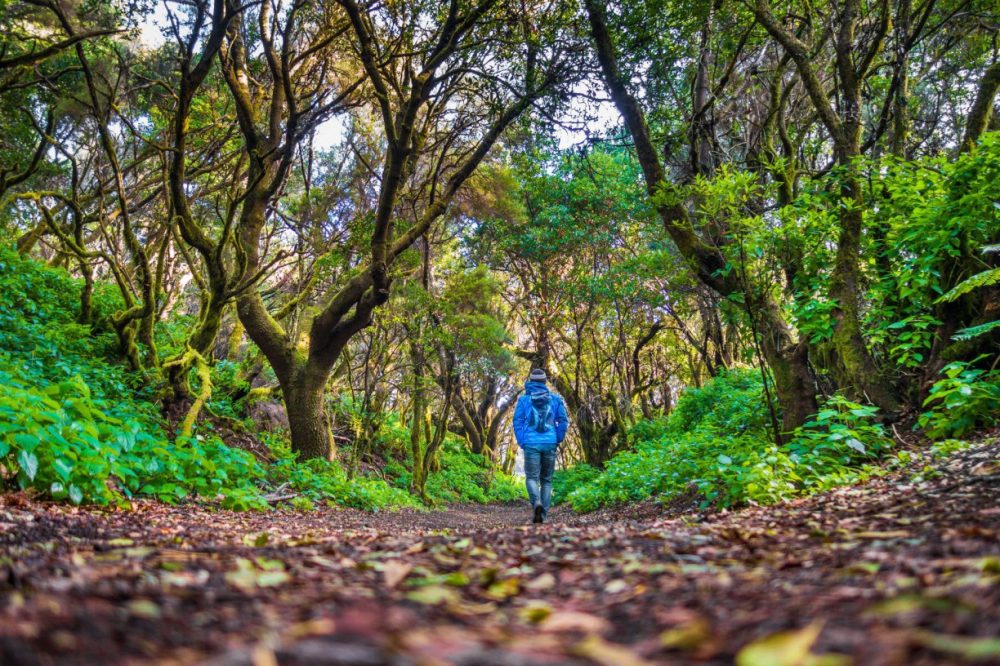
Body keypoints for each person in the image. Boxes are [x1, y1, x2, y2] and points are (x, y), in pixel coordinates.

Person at [512, 368, 569, 524]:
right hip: (550, 442)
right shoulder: (555, 399)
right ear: (545, 382)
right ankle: (543, 515)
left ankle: (536, 503)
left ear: (531, 381)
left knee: (531, 478)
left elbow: (517, 421)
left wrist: (522, 440)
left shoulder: (524, 400)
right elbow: (563, 421)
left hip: (531, 443)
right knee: (547, 480)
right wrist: (558, 437)